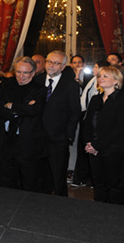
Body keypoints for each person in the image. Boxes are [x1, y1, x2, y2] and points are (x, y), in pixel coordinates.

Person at [84, 66, 124, 205]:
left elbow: (121, 127)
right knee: (98, 183)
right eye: (100, 76)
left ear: (116, 80)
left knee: (115, 184)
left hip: (115, 149)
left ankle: (115, 216)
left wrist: (98, 145)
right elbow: (88, 124)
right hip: (94, 149)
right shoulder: (96, 99)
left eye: (105, 76)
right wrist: (89, 143)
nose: (101, 78)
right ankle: (100, 212)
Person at [0, 57, 46, 191]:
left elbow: (34, 110)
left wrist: (11, 106)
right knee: (5, 180)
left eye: (25, 73)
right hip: (6, 140)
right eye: (18, 72)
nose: (21, 76)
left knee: (28, 182)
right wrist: (21, 109)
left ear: (33, 73)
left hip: (28, 142)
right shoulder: (7, 86)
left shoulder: (40, 89)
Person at [35, 50, 81, 197]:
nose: (51, 65)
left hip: (59, 138)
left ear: (62, 67)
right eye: (49, 61)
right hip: (37, 136)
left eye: (56, 63)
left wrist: (68, 135)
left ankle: (61, 208)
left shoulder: (70, 85)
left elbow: (75, 112)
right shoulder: (36, 80)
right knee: (39, 174)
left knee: (58, 176)